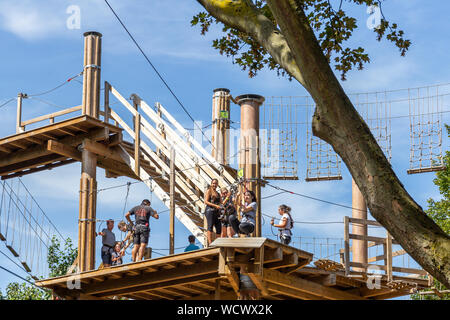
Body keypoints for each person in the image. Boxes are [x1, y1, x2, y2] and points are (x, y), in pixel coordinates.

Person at [204, 178, 222, 245]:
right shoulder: (209, 191)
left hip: (217, 212)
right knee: (210, 226)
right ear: (211, 184)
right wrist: (215, 205)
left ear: (217, 185)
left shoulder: (218, 194)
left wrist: (227, 197)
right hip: (210, 210)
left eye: (215, 183)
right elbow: (206, 201)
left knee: (219, 227)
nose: (214, 184)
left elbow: (221, 203)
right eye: (213, 183)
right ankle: (210, 243)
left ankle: (217, 243)